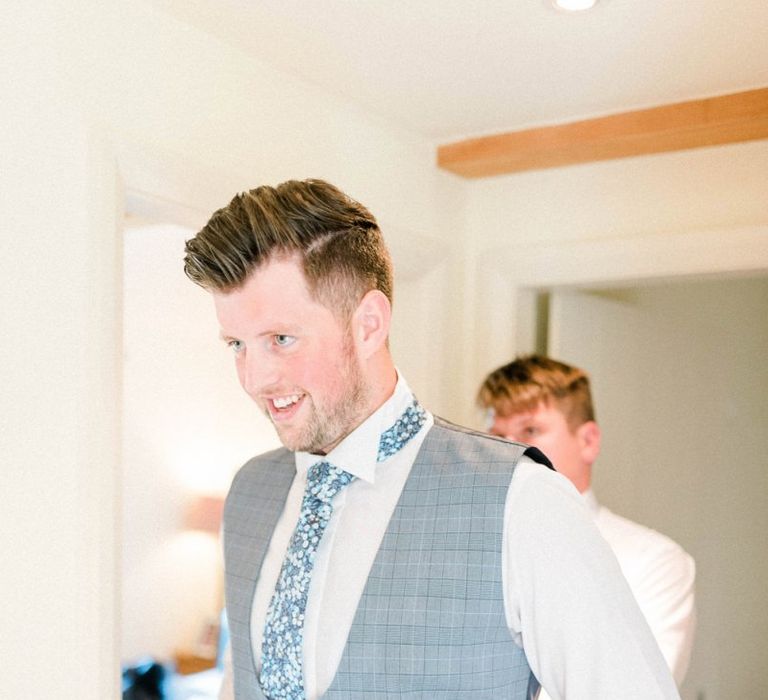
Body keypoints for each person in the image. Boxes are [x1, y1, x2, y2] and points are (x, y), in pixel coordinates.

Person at [184, 179, 679, 699]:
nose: (256, 379)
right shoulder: (247, 494)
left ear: (369, 325)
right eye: (237, 344)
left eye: (281, 339)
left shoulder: (522, 499)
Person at [477, 354, 696, 689]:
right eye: (496, 436)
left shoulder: (654, 562)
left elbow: (633, 689)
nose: (508, 451)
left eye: (530, 430)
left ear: (588, 441)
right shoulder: (473, 550)